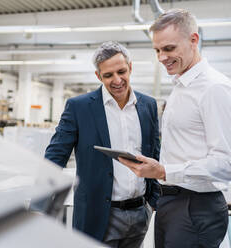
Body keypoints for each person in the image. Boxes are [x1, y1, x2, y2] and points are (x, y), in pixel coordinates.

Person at [119, 9, 231, 248]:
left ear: (193, 40)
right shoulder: (181, 87)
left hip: (195, 207)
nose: (162, 57)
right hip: (171, 202)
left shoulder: (215, 89)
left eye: (169, 48)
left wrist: (166, 171)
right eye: (157, 50)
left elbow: (228, 164)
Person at [45, 41, 160, 247]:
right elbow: (55, 155)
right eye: (108, 75)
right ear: (98, 76)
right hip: (97, 215)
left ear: (130, 67)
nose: (117, 80)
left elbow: (155, 152)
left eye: (121, 71)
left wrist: (152, 201)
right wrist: (39, 199)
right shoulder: (79, 107)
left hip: (139, 213)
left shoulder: (148, 105)